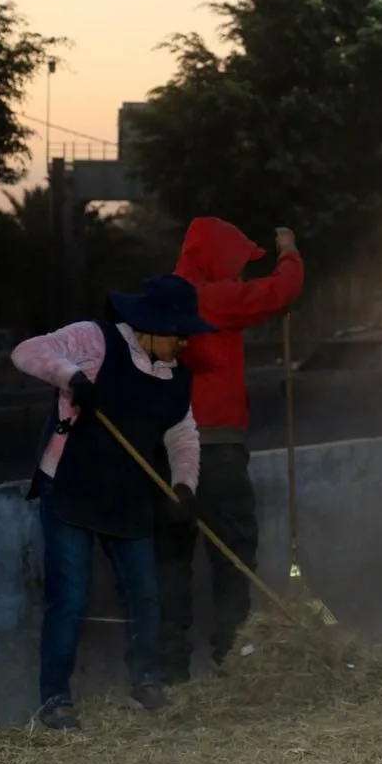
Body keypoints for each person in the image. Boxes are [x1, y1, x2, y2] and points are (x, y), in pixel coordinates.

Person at [12, 274, 212, 731]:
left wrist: (183, 486)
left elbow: (183, 435)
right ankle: (55, 699)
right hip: (73, 489)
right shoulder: (95, 340)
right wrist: (72, 377)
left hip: (129, 496)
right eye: (178, 332)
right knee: (70, 596)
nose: (184, 341)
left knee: (145, 594)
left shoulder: (176, 377)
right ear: (151, 325)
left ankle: (146, 679)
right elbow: (26, 352)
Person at [156, 218, 304, 683]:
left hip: (162, 454)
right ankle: (233, 661)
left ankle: (169, 670)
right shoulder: (211, 298)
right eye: (235, 264)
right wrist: (289, 251)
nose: (238, 274)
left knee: (170, 562)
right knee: (234, 556)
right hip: (214, 448)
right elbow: (280, 291)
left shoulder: (161, 299)